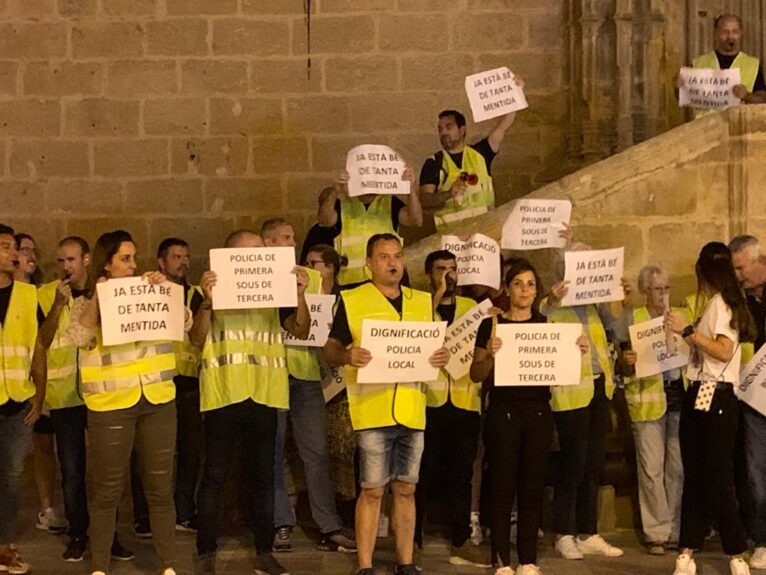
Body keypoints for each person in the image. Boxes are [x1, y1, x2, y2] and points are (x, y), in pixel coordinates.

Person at [323, 233, 450, 575]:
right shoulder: (352, 299)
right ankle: (364, 565)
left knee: (406, 488)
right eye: (383, 256)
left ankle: (405, 562)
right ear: (369, 264)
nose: (392, 262)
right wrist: (347, 355)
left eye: (396, 255)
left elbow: (430, 347)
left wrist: (441, 354)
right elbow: (330, 348)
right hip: (372, 407)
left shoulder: (422, 301)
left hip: (411, 406)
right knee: (373, 490)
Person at [192, 229, 310, 575]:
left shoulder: (277, 287)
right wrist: (207, 300)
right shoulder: (207, 290)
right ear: (227, 257)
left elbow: (300, 331)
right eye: (247, 253)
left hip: (264, 392)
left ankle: (263, 552)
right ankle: (205, 553)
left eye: (260, 250)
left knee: (264, 477)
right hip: (223, 393)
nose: (257, 257)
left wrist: (300, 295)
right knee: (213, 477)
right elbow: (197, 339)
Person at [66, 230, 179, 575]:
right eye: (125, 259)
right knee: (107, 491)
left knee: (160, 488)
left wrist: (165, 290)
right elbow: (78, 337)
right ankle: (99, 565)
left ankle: (168, 565)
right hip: (111, 404)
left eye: (133, 258)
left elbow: (183, 322)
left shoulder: (151, 288)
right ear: (107, 263)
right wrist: (101, 298)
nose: (133, 265)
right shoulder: (86, 301)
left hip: (157, 399)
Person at [472, 258, 587, 575]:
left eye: (530, 284)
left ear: (537, 292)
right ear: (507, 290)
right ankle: (501, 559)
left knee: (532, 486)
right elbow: (475, 373)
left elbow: (559, 372)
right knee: (503, 485)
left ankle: (528, 559)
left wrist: (573, 352)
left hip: (537, 412)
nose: (524, 289)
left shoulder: (546, 327)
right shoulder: (491, 326)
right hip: (503, 413)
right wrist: (492, 356)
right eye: (518, 283)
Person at [260, 218, 356, 554]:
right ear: (268, 243)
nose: (292, 242)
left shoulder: (309, 276)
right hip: (269, 374)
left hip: (304, 372)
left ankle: (328, 525)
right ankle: (280, 523)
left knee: (315, 452)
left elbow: (317, 322)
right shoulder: (251, 275)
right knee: (273, 453)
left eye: (293, 237)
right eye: (286, 237)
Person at [38, 236, 133, 563]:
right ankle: (78, 534)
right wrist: (57, 306)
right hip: (65, 398)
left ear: (88, 260)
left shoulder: (105, 291)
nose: (66, 267)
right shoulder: (45, 294)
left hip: (102, 393)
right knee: (73, 470)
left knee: (108, 472)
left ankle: (110, 536)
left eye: (71, 260)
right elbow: (43, 341)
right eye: (61, 261)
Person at [666, 242, 755, 575]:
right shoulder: (718, 304)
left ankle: (735, 552)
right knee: (697, 476)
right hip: (701, 393)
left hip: (715, 395)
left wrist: (688, 332)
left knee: (716, 478)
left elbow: (722, 349)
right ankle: (687, 550)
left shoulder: (721, 305)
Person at [544, 242, 627, 560]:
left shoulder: (594, 304)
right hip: (570, 393)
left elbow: (618, 328)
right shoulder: (551, 303)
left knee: (594, 464)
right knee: (573, 463)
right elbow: (539, 326)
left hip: (598, 389)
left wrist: (618, 299)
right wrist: (552, 299)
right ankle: (564, 532)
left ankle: (588, 530)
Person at [414, 250, 486, 567]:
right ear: (430, 274)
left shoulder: (472, 308)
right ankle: (413, 538)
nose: (448, 273)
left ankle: (460, 540)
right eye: (441, 269)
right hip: (429, 401)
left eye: (452, 268)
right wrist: (437, 297)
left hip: (464, 399)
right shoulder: (419, 305)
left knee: (461, 473)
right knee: (421, 472)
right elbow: (415, 335)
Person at [131, 238, 204, 536]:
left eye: (186, 256)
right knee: (147, 454)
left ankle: (183, 512)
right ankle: (143, 517)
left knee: (190, 452)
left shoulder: (199, 295)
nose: (183, 262)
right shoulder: (146, 290)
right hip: (156, 380)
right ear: (161, 261)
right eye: (176, 257)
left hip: (188, 382)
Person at [619, 266, 686, 555]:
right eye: (658, 289)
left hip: (678, 398)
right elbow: (622, 364)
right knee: (651, 469)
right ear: (646, 292)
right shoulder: (634, 319)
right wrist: (628, 360)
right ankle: (657, 532)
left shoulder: (679, 317)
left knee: (677, 468)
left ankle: (675, 529)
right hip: (648, 401)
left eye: (667, 288)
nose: (663, 295)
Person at [0, 223, 46, 575]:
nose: (13, 252)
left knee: (12, 477)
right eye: (4, 246)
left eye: (14, 246)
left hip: (17, 402)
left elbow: (37, 348)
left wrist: (40, 393)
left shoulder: (28, 296)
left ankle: (5, 546)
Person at [14, 232, 65, 535]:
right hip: (11, 385)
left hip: (41, 384)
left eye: (34, 250)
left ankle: (47, 507)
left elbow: (42, 341)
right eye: (23, 250)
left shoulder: (40, 294)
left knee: (44, 445)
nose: (30, 256)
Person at [419, 100, 521, 233]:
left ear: (462, 130)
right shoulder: (433, 163)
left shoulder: (481, 154)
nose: (443, 132)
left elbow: (503, 126)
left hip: (484, 235)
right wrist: (448, 194)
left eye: (449, 127)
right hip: (451, 239)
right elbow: (425, 201)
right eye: (440, 129)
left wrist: (516, 92)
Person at [306, 245, 358, 503]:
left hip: (339, 382)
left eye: (313, 263)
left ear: (329, 268)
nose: (308, 268)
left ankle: (344, 502)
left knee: (342, 444)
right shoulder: (300, 297)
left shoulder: (347, 299)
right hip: (306, 374)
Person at [317, 164, 420, 286]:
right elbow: (324, 221)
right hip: (349, 283)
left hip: (385, 285)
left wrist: (410, 190)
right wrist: (335, 191)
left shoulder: (390, 202)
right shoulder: (343, 203)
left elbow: (416, 220)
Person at [729, 235, 766, 569]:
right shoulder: (737, 301)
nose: (738, 275)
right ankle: (762, 539)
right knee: (755, 471)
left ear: (759, 261)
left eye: (741, 268)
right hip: (753, 398)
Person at [687, 14, 766, 113]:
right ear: (715, 33)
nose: (730, 36)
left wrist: (746, 96)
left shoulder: (752, 65)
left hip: (739, 126)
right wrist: (679, 86)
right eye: (725, 32)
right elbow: (684, 95)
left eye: (735, 31)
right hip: (705, 126)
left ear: (741, 33)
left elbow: (763, 100)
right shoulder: (698, 64)